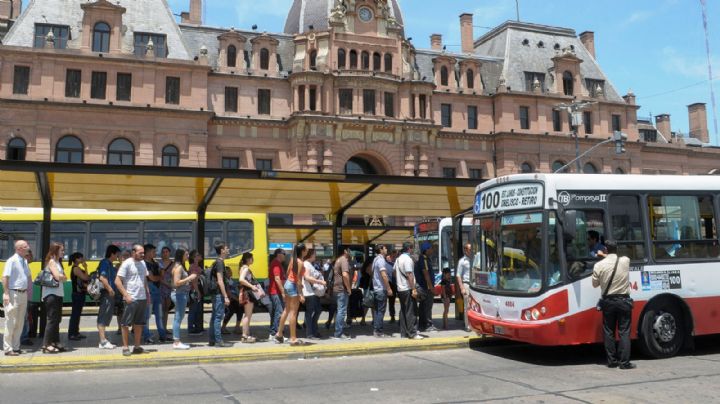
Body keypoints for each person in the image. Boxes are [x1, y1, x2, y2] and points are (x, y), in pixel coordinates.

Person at [592, 240, 635, 369]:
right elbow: (617, 257)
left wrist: (602, 256)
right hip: (623, 301)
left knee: (609, 331)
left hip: (608, 302)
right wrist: (607, 255)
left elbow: (595, 284)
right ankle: (624, 363)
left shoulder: (599, 266)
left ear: (605, 249)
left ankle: (611, 361)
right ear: (617, 249)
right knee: (624, 332)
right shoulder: (625, 261)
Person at [115, 244, 150, 357]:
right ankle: (125, 347)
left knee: (139, 324)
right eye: (141, 253)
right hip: (131, 298)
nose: (143, 255)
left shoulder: (143, 263)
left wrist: (147, 294)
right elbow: (117, 281)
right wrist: (126, 295)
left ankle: (137, 346)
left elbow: (144, 279)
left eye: (143, 253)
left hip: (142, 298)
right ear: (133, 252)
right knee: (125, 324)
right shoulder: (127, 263)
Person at [2, 240, 31, 356]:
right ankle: (8, 348)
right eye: (26, 247)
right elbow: (5, 277)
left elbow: (28, 276)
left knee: (20, 322)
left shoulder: (24, 261)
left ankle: (16, 346)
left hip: (23, 294)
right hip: (14, 293)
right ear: (19, 249)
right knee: (11, 321)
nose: (28, 248)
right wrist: (6, 293)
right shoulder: (12, 261)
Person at [275, 244, 307, 346]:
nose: (307, 250)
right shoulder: (300, 262)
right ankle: (293, 338)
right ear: (303, 251)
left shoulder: (293, 260)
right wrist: (301, 294)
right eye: (306, 249)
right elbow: (297, 278)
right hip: (293, 286)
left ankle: (279, 334)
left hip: (288, 284)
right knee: (293, 313)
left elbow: (288, 272)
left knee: (287, 310)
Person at [41, 242, 66, 354]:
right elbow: (58, 276)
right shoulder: (51, 262)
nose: (63, 252)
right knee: (52, 320)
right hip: (51, 294)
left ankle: (55, 342)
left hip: (58, 294)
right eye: (62, 250)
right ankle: (46, 345)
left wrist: (63, 277)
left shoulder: (58, 262)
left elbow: (63, 277)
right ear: (55, 251)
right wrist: (62, 277)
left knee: (57, 319)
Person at [170, 248, 197, 349]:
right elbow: (176, 283)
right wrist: (189, 278)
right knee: (178, 318)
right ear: (181, 255)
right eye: (186, 254)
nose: (188, 256)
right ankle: (176, 342)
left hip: (180, 294)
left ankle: (176, 340)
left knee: (178, 317)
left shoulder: (178, 266)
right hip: (179, 294)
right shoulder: (179, 267)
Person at [396, 242, 423, 340]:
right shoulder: (407, 259)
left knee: (403, 311)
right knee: (411, 312)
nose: (413, 251)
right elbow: (409, 275)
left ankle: (404, 333)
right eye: (412, 249)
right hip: (407, 289)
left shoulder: (398, 259)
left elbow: (395, 273)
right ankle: (413, 333)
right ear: (409, 249)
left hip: (400, 289)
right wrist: (413, 289)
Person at [208, 241, 233, 348]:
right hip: (218, 293)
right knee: (218, 317)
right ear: (222, 250)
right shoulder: (219, 263)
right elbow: (220, 280)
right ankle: (218, 341)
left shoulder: (217, 262)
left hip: (216, 293)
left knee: (214, 317)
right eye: (226, 248)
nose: (228, 250)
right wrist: (226, 296)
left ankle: (212, 340)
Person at [97, 245, 120, 349]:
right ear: (112, 254)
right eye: (117, 254)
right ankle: (102, 341)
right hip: (107, 293)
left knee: (106, 315)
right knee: (103, 315)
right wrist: (110, 289)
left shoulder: (110, 264)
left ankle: (103, 339)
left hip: (109, 294)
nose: (118, 256)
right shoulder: (105, 263)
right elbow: (102, 277)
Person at [143, 244, 167, 344]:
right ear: (148, 252)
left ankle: (162, 335)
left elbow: (161, 275)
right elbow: (152, 278)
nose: (155, 253)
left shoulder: (156, 263)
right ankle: (147, 336)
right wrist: (159, 277)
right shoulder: (144, 264)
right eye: (153, 251)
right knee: (147, 315)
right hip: (149, 290)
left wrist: (159, 275)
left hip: (157, 290)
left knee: (159, 315)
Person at [302, 249, 326, 339]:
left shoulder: (309, 264)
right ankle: (310, 333)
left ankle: (314, 331)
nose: (315, 256)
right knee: (311, 312)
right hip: (309, 292)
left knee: (317, 310)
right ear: (311, 255)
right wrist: (320, 281)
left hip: (313, 292)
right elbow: (307, 277)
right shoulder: (306, 264)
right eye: (314, 254)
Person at [371, 244, 393, 337]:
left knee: (377, 311)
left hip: (376, 288)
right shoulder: (380, 260)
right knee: (380, 311)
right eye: (385, 248)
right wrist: (388, 288)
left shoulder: (375, 260)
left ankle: (376, 330)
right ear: (380, 250)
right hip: (381, 289)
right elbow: (384, 275)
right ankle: (379, 331)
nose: (386, 249)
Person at [415, 241, 437, 332]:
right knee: (427, 307)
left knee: (423, 307)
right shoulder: (424, 259)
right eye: (431, 248)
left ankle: (422, 325)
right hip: (426, 288)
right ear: (426, 249)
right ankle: (428, 325)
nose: (432, 250)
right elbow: (426, 273)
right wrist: (431, 287)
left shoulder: (425, 258)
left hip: (424, 287)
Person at [238, 252, 260, 343]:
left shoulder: (242, 267)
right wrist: (252, 286)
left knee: (247, 314)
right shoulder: (246, 268)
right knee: (247, 315)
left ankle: (246, 334)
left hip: (245, 292)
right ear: (248, 259)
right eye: (252, 258)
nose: (253, 260)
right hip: (248, 293)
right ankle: (245, 336)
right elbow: (241, 280)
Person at [332, 245, 352, 340]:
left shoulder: (338, 260)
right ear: (345, 251)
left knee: (339, 311)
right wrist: (348, 288)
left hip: (336, 289)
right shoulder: (344, 260)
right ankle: (338, 333)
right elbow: (345, 275)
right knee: (342, 311)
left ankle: (338, 331)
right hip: (341, 290)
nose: (350, 251)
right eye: (349, 249)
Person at [67, 252, 89, 341]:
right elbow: (86, 278)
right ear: (77, 259)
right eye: (81, 258)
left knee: (77, 314)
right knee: (75, 315)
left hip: (79, 294)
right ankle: (72, 334)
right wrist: (86, 267)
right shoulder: (76, 269)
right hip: (77, 294)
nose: (83, 259)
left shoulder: (77, 268)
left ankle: (76, 332)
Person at [268, 248, 286, 341]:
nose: (285, 256)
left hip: (276, 292)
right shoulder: (276, 264)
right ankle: (274, 333)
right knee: (279, 312)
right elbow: (277, 279)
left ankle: (274, 333)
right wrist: (283, 292)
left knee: (277, 313)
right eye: (284, 254)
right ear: (279, 254)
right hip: (276, 292)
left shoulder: (277, 264)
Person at [221, 264, 242, 335]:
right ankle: (223, 327)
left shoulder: (232, 280)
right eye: (229, 271)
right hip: (228, 299)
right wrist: (237, 299)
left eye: (230, 271)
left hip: (234, 299)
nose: (231, 272)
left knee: (240, 309)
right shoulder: (225, 281)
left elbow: (236, 290)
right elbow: (228, 292)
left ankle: (237, 327)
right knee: (230, 311)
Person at [187, 250, 204, 335]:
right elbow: (194, 281)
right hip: (194, 290)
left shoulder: (196, 266)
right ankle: (191, 329)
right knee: (193, 310)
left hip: (196, 290)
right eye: (198, 255)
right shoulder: (193, 267)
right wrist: (198, 292)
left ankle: (197, 327)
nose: (200, 255)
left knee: (197, 309)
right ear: (194, 257)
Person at [158, 246, 174, 340]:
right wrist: (167, 284)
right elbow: (159, 277)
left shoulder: (173, 264)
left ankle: (165, 327)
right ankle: (161, 328)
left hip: (169, 288)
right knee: (161, 310)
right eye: (163, 252)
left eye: (167, 252)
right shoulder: (159, 264)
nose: (165, 253)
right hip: (161, 288)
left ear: (169, 253)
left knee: (166, 309)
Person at [456, 243, 472, 332]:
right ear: (465, 250)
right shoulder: (462, 261)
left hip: (475, 285)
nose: (471, 251)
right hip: (467, 284)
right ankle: (468, 325)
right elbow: (458, 275)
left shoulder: (475, 259)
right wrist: (462, 288)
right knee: (467, 306)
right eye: (470, 249)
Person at [385, 248, 398, 324]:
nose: (395, 256)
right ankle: (392, 316)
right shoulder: (386, 263)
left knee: (392, 301)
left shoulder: (397, 262)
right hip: (389, 283)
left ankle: (393, 316)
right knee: (390, 301)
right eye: (394, 254)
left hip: (396, 284)